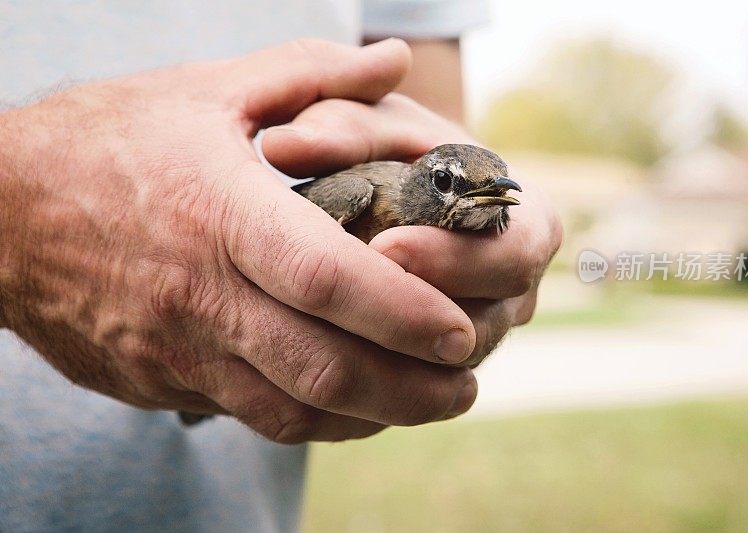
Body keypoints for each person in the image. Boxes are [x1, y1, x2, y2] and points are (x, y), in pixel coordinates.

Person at [0, 1, 561, 531]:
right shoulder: (363, 196)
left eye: (497, 195)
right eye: (445, 186)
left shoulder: (452, 207)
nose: (482, 198)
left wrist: (493, 274)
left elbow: (437, 130)